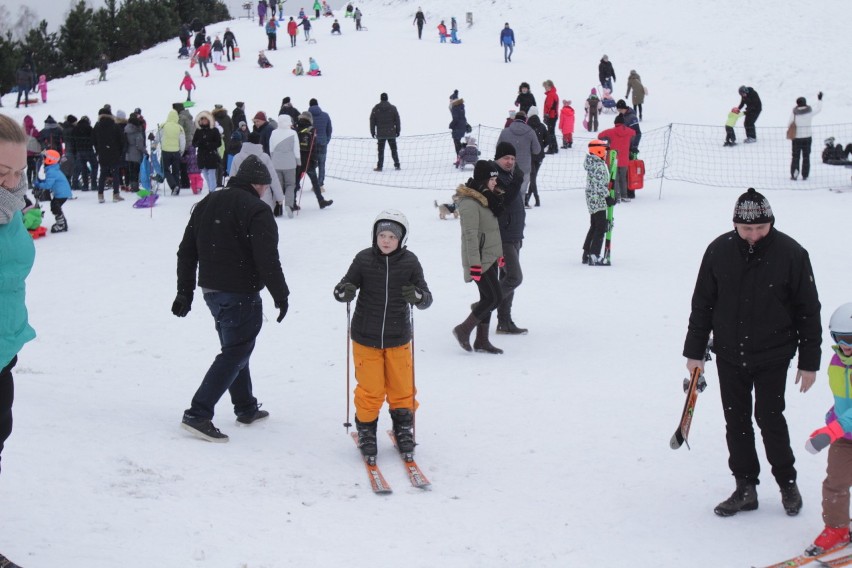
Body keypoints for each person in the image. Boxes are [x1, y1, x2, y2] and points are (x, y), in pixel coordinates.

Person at [683, 187, 822, 518]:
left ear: (771, 222)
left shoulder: (791, 253)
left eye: (761, 228)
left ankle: (787, 483)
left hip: (773, 353)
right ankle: (745, 486)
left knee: (770, 418)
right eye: (747, 229)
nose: (755, 235)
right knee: (737, 420)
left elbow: (808, 310)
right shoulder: (719, 251)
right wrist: (695, 350)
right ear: (735, 225)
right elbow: (702, 304)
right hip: (730, 352)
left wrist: (809, 361)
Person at [174, 155, 290, 443]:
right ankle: (198, 413)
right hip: (241, 292)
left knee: (236, 347)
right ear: (258, 184)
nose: (265, 191)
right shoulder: (256, 210)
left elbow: (186, 252)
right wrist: (281, 295)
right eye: (264, 186)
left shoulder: (206, 203)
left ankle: (245, 407)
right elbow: (267, 259)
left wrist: (184, 292)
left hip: (211, 292)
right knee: (236, 351)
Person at [333, 210, 432, 460]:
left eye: (392, 236)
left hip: (398, 337)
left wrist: (418, 297)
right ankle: (366, 430)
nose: (386, 241)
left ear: (402, 239)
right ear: (375, 236)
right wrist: (344, 291)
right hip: (366, 337)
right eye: (382, 235)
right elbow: (344, 285)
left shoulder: (410, 262)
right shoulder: (363, 259)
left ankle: (403, 430)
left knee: (402, 387)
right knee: (370, 389)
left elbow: (426, 297)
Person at [0, 112, 37, 478]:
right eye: (0, 173)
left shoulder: (9, 209)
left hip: (4, 353)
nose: (12, 183)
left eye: (18, 171)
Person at [803, 303, 852, 554]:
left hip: (843, 430)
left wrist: (833, 429)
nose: (847, 345)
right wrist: (833, 417)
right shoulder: (837, 362)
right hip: (847, 435)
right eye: (841, 338)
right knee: (836, 481)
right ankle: (837, 528)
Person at [452, 160, 505, 354]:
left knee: (488, 297)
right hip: (479, 259)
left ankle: (482, 340)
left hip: (490, 256)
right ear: (483, 179)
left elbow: (491, 231)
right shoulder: (469, 203)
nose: (494, 182)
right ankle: (463, 329)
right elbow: (470, 236)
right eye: (492, 178)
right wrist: (474, 264)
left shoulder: (488, 198)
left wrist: (499, 255)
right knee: (494, 298)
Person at [492, 141, 531, 335]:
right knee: (514, 277)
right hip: (503, 237)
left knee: (507, 277)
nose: (510, 161)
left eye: (513, 158)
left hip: (514, 235)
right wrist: (517, 181)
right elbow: (504, 200)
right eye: (506, 158)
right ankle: (484, 304)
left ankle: (504, 322)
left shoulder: (509, 175)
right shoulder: (495, 177)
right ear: (497, 159)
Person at [229, 131, 284, 214]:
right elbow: (273, 177)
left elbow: (232, 178)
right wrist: (279, 197)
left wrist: (231, 195)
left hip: (243, 195)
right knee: (263, 221)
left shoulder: (237, 157)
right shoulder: (265, 157)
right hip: (263, 194)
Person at [582, 140, 614, 266]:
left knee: (594, 226)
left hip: (592, 200)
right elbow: (599, 185)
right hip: (598, 200)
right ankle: (594, 255)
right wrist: (607, 197)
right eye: (604, 150)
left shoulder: (592, 163)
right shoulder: (599, 166)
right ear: (599, 151)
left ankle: (587, 253)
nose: (606, 153)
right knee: (600, 227)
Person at [294, 111, 333, 209]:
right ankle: (321, 201)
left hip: (297, 161)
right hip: (308, 161)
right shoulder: (311, 130)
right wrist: (315, 160)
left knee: (295, 182)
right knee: (315, 183)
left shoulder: (296, 129)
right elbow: (313, 147)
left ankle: (293, 203)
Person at [92, 108, 126, 203]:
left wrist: (98, 150)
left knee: (103, 174)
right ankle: (116, 195)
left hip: (102, 153)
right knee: (115, 174)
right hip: (114, 153)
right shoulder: (115, 126)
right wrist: (119, 151)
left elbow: (93, 139)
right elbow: (122, 140)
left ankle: (100, 195)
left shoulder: (97, 126)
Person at [32, 149, 71, 233]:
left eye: (44, 158)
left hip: (62, 194)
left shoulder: (52, 171)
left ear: (49, 160)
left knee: (55, 206)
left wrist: (38, 184)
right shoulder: (52, 169)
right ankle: (62, 223)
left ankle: (62, 225)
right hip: (61, 193)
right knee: (55, 206)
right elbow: (48, 181)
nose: (43, 160)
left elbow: (48, 185)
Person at [598, 114, 635, 203]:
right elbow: (634, 134)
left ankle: (616, 196)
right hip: (624, 159)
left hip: (612, 159)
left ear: (615, 123)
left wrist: (608, 142)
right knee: (623, 178)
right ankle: (624, 196)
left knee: (614, 179)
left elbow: (600, 136)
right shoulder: (630, 132)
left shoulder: (611, 132)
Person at [268, 115, 299, 216]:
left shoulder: (274, 133)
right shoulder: (293, 133)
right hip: (290, 163)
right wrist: (298, 161)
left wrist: (273, 159)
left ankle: (277, 208)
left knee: (278, 186)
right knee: (290, 185)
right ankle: (289, 205)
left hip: (276, 163)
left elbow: (271, 149)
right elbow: (296, 149)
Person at [788, 92, 823, 181]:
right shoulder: (809, 112)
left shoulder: (794, 113)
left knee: (795, 157)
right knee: (806, 157)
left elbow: (789, 123)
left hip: (796, 138)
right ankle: (805, 175)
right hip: (807, 137)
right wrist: (819, 100)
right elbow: (818, 109)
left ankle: (794, 174)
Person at [192, 111, 223, 192]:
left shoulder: (214, 130)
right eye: (202, 119)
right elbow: (194, 143)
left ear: (209, 120)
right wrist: (199, 143)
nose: (203, 121)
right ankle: (211, 190)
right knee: (205, 175)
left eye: (205, 119)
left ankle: (212, 192)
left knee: (212, 175)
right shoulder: (198, 131)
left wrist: (209, 145)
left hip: (211, 155)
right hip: (201, 155)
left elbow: (219, 143)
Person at [370, 92, 401, 171]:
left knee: (380, 151)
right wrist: (398, 130)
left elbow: (372, 120)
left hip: (381, 134)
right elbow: (397, 120)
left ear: (381, 98)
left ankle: (380, 166)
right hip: (391, 133)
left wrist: (372, 132)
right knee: (394, 150)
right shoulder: (393, 108)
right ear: (387, 98)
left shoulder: (376, 108)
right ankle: (397, 165)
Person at [157, 108, 186, 195]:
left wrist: (155, 145)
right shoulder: (179, 128)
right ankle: (176, 188)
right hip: (176, 152)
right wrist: (181, 151)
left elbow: (157, 137)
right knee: (176, 171)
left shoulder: (163, 125)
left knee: (165, 170)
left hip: (165, 151)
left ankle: (173, 186)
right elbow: (182, 141)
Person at [523, 107, 547, 208]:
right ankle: (531, 198)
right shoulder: (542, 126)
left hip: (529, 155)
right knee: (533, 177)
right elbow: (548, 139)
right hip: (539, 155)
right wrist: (541, 147)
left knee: (531, 177)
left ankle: (533, 198)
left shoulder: (526, 126)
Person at [308, 98, 332, 189]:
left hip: (311, 144)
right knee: (322, 164)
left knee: (312, 165)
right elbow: (329, 130)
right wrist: (326, 140)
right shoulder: (325, 115)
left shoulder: (307, 116)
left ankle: (314, 185)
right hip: (322, 143)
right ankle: (320, 185)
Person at [123, 112, 147, 191]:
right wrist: (145, 151)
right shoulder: (137, 132)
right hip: (136, 154)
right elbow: (139, 145)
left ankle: (131, 185)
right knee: (136, 171)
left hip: (128, 153)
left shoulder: (126, 130)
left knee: (131, 171)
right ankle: (135, 187)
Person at [541, 80, 559, 154]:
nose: (545, 88)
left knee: (550, 132)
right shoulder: (554, 94)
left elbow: (549, 106)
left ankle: (551, 148)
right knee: (552, 132)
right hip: (553, 115)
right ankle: (555, 147)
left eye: (546, 87)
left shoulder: (551, 94)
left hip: (551, 116)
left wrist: (546, 115)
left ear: (550, 86)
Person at [448, 90, 468, 155]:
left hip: (457, 128)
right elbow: (463, 117)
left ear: (453, 100)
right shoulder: (461, 106)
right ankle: (464, 154)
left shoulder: (454, 107)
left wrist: (451, 125)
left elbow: (455, 119)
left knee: (457, 144)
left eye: (450, 100)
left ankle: (459, 158)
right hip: (462, 127)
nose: (450, 101)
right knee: (459, 143)